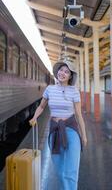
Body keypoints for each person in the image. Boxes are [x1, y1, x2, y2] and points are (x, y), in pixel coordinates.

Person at [29, 60, 87, 190]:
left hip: (71, 130)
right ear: (57, 72)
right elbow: (41, 107)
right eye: (61, 70)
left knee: (71, 170)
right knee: (60, 171)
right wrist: (34, 117)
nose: (63, 73)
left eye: (66, 72)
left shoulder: (74, 91)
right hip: (54, 130)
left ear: (70, 76)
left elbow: (78, 115)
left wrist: (84, 136)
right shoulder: (49, 89)